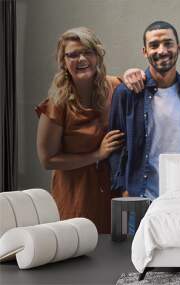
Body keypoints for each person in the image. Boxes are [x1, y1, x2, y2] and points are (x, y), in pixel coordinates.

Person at [36, 27, 124, 233]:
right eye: (73, 54)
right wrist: (97, 155)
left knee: (118, 257)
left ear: (97, 56)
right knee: (80, 253)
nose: (81, 58)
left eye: (87, 52)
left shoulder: (116, 88)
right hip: (77, 197)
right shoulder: (57, 104)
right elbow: (47, 160)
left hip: (116, 195)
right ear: (63, 62)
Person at [109, 20, 180, 201]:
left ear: (179, 47)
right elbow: (114, 147)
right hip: (140, 197)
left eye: (168, 44)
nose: (162, 50)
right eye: (154, 45)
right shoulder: (127, 94)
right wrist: (123, 189)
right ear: (144, 51)